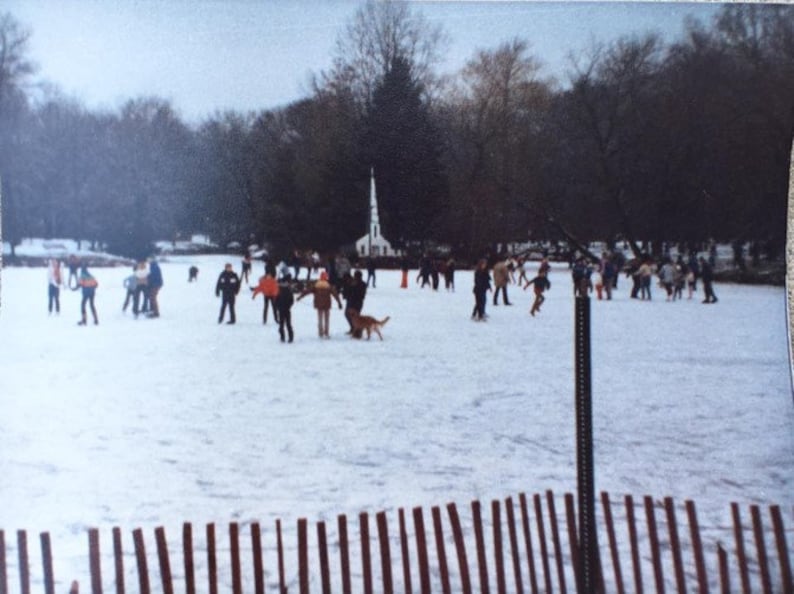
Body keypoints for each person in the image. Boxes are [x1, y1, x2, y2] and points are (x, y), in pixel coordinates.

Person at [297, 271, 342, 338]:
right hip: (327, 304)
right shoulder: (328, 286)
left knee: (320, 319)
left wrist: (300, 297)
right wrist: (339, 303)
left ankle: (320, 333)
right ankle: (326, 332)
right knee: (326, 319)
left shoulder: (316, 285)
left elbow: (307, 291)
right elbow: (335, 294)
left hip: (318, 304)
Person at [341, 270, 367, 338]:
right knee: (348, 315)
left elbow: (361, 294)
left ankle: (358, 331)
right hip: (351, 301)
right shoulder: (353, 283)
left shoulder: (362, 284)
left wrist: (352, 288)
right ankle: (353, 328)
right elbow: (347, 290)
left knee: (356, 317)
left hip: (356, 302)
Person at [275, 273, 295, 343]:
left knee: (281, 324)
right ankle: (290, 337)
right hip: (287, 309)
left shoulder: (279, 291)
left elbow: (276, 300)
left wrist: (278, 307)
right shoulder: (288, 290)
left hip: (281, 310)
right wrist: (289, 306)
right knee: (288, 324)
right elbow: (292, 300)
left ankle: (282, 337)